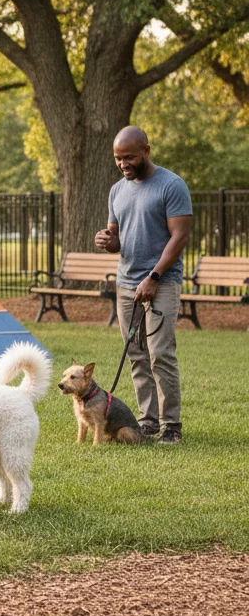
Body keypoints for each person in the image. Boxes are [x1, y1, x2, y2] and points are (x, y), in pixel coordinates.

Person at [94, 126, 192, 443]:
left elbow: (180, 236)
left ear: (146, 151)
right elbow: (117, 239)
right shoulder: (117, 191)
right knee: (136, 353)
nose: (124, 164)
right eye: (118, 158)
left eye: (130, 157)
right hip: (126, 282)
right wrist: (106, 241)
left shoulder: (171, 185)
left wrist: (154, 276)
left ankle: (171, 427)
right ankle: (147, 422)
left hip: (161, 282)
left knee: (160, 353)